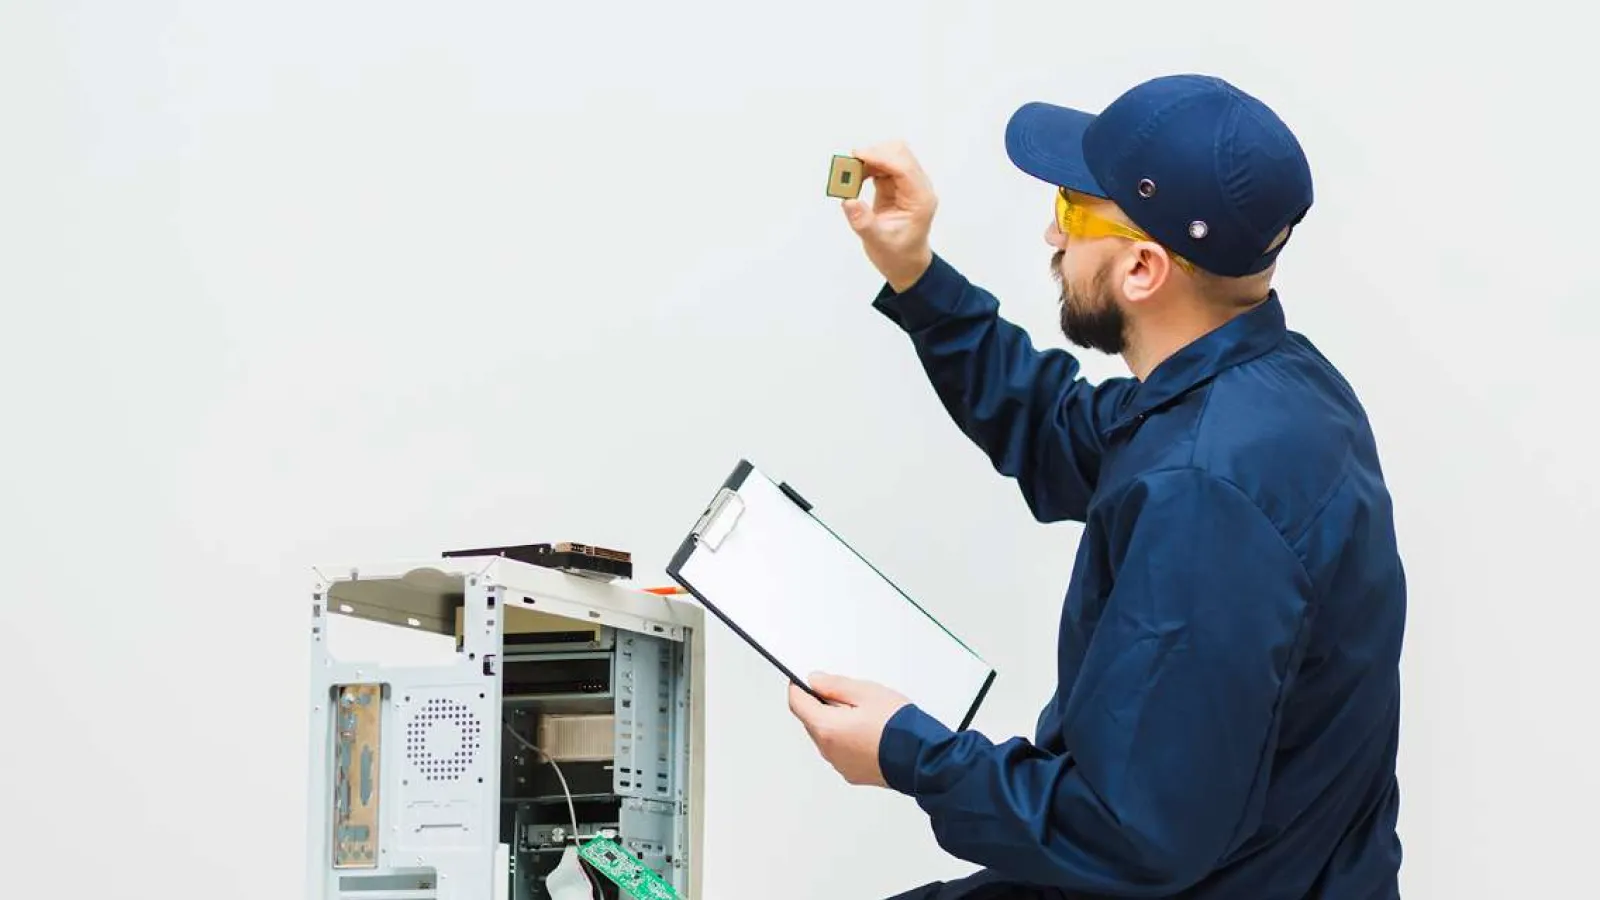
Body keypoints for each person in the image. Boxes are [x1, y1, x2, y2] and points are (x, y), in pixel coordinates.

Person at [786, 73, 1406, 899]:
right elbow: (1064, 432)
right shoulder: (1273, 391)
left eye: (1075, 213)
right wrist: (917, 274)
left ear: (1145, 268)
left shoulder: (1202, 492)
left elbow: (1132, 833)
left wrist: (906, 754)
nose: (1052, 232)